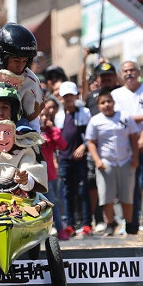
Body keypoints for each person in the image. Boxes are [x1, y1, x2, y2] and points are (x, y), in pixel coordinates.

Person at [111, 61, 143, 235]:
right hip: (126, 145)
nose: (129, 73)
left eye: (132, 70)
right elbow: (120, 119)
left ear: (139, 71)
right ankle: (131, 226)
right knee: (130, 187)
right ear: (121, 73)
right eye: (125, 71)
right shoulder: (116, 94)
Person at [85, 89, 140, 236]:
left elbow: (134, 138)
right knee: (106, 196)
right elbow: (90, 142)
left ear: (113, 102)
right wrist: (97, 160)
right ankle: (109, 223)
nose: (107, 105)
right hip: (106, 162)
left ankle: (129, 224)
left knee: (127, 195)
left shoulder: (125, 116)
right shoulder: (95, 121)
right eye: (103, 103)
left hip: (125, 161)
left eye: (109, 101)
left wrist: (135, 158)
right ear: (98, 106)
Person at [54, 81, 93, 237]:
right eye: (66, 96)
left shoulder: (85, 113)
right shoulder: (59, 116)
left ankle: (87, 224)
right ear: (61, 98)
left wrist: (84, 147)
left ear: (76, 95)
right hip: (64, 158)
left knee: (83, 191)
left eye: (71, 95)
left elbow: (90, 134)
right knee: (67, 192)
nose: (69, 98)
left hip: (81, 158)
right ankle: (69, 224)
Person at [40, 99, 69, 239]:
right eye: (42, 115)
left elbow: (62, 145)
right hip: (34, 175)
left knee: (53, 203)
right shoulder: (32, 132)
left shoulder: (52, 131)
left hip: (49, 175)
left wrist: (51, 131)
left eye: (47, 116)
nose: (44, 118)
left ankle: (60, 229)